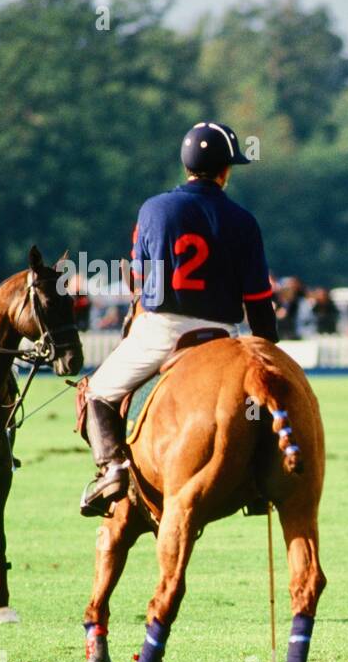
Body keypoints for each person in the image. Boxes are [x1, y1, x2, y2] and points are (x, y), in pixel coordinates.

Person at [79, 121, 278, 517]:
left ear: (187, 165)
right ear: (225, 170)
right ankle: (259, 479)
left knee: (97, 393)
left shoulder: (154, 209)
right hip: (223, 336)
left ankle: (112, 470)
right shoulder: (243, 220)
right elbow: (258, 299)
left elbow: (143, 279)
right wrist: (266, 351)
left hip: (163, 330)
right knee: (261, 403)